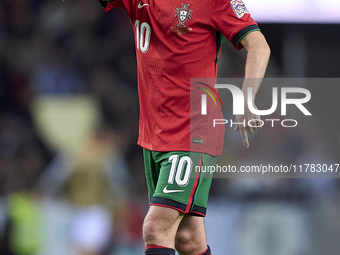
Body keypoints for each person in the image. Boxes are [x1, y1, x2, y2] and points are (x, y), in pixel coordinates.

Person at [98, 0, 270, 254]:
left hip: (194, 133)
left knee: (156, 227)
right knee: (188, 238)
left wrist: (247, 97)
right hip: (154, 136)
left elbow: (258, 45)